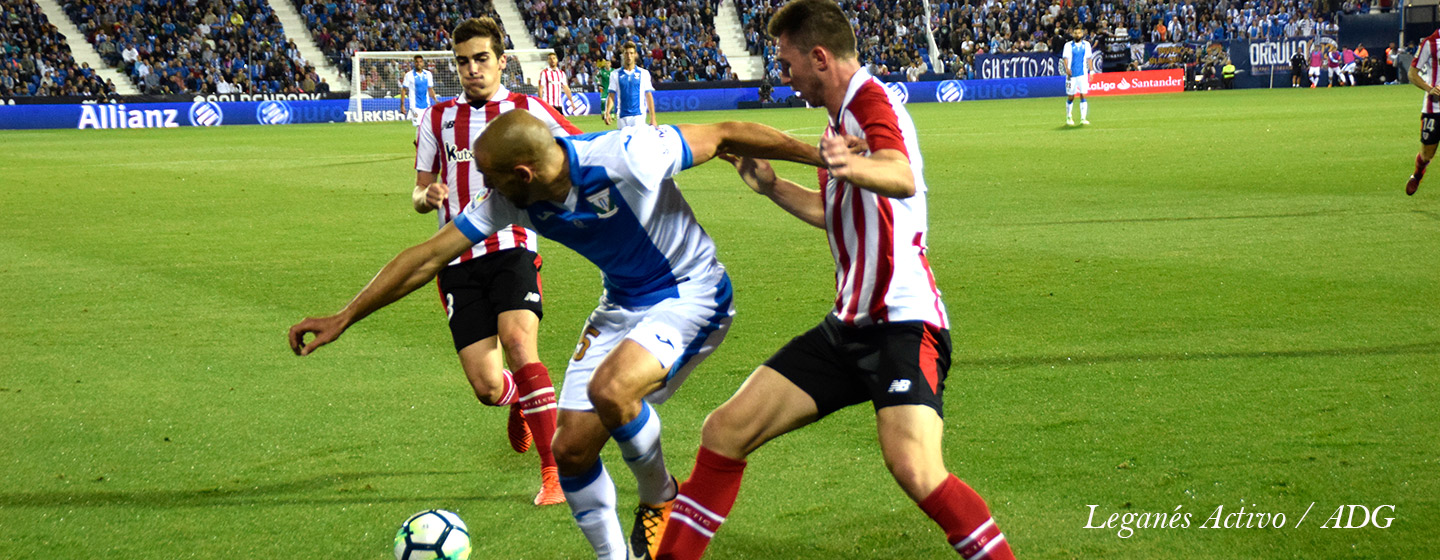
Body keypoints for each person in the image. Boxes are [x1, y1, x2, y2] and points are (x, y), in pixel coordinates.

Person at [290, 109, 824, 560]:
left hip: (690, 292)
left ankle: (661, 496)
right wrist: (344, 316)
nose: (483, 189)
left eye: (490, 177)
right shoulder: (511, 197)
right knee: (569, 451)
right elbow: (429, 256)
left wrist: (823, 158)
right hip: (620, 305)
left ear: (522, 173)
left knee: (611, 390)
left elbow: (725, 132)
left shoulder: (626, 155)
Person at [655, 1, 1019, 560]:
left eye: (787, 62)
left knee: (916, 469)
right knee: (724, 432)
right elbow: (835, 213)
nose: (785, 75)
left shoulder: (873, 100)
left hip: (903, 323)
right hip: (846, 327)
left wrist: (847, 165)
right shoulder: (840, 119)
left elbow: (899, 176)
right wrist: (772, 185)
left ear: (818, 57)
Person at [1406, 30, 1440, 195]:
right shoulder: (1430, 42)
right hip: (1434, 108)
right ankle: (1418, 173)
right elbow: (1412, 74)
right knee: (1427, 154)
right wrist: (1430, 89)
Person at [603, 42, 657, 128]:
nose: (629, 56)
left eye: (631, 53)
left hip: (638, 116)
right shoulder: (615, 74)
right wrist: (607, 112)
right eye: (626, 53)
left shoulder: (643, 73)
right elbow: (611, 95)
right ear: (623, 55)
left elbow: (648, 96)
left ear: (635, 55)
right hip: (622, 117)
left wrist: (653, 118)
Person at [1062, 25, 1093, 126]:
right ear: (1072, 34)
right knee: (1071, 96)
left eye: (1079, 33)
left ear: (1082, 34)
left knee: (1083, 94)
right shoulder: (1068, 45)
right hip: (1071, 75)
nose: (1077, 35)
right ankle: (1069, 116)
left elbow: (1089, 58)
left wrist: (1091, 71)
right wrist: (1067, 68)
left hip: (1083, 74)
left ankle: (1083, 118)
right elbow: (1065, 58)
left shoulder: (1086, 45)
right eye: (1075, 33)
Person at [401, 54, 438, 127]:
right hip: (415, 105)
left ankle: (421, 138)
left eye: (420, 62)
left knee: (427, 126)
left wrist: (435, 100)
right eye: (417, 62)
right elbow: (403, 90)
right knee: (419, 125)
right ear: (414, 63)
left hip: (426, 104)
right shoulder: (409, 75)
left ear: (423, 63)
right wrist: (402, 105)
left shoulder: (428, 74)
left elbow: (430, 89)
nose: (418, 63)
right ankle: (419, 138)